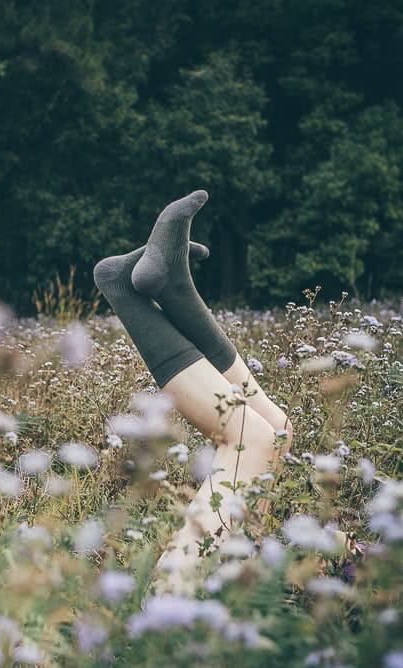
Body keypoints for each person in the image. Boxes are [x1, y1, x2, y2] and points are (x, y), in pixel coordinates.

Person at [93, 190, 294, 595]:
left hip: (177, 620)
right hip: (243, 581)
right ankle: (172, 287)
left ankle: (125, 289)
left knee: (249, 439)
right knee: (277, 429)